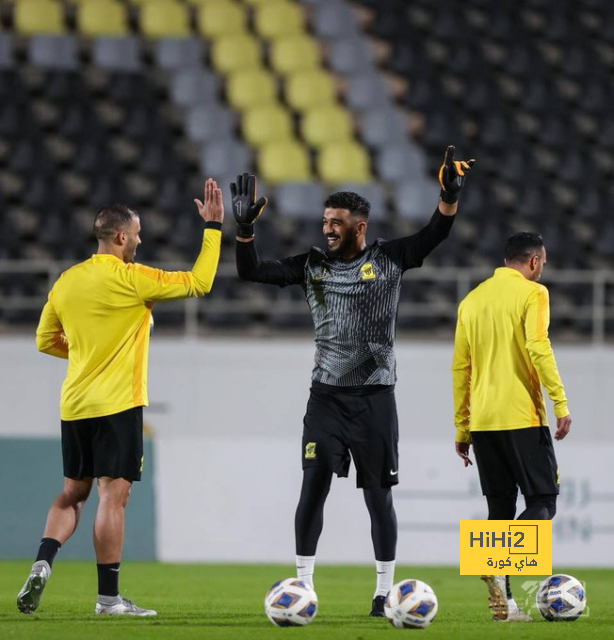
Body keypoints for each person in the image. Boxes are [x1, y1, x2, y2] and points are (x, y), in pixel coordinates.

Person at [233, 146, 475, 616]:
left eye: (337, 222)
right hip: (324, 399)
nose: (328, 228)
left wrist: (447, 195)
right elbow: (251, 272)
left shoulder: (390, 259)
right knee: (313, 488)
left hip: (375, 399)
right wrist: (244, 231)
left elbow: (434, 233)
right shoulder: (310, 265)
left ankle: (384, 591)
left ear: (359, 226)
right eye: (326, 221)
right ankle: (304, 586)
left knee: (378, 498)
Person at [17, 179, 225, 616]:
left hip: (74, 404)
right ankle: (108, 599)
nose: (141, 240)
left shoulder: (66, 281)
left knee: (72, 493)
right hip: (118, 405)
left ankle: (42, 562)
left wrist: (86, 353)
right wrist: (213, 228)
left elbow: (43, 340)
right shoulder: (132, 279)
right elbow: (199, 282)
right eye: (137, 233)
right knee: (114, 497)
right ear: (120, 238)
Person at [452, 231, 572, 622]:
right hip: (522, 416)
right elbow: (539, 347)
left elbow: (461, 368)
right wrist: (560, 402)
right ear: (534, 262)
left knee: (499, 510)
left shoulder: (471, 301)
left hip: (484, 423)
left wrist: (462, 427)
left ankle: (504, 607)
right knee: (543, 500)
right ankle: (499, 560)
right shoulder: (533, 294)